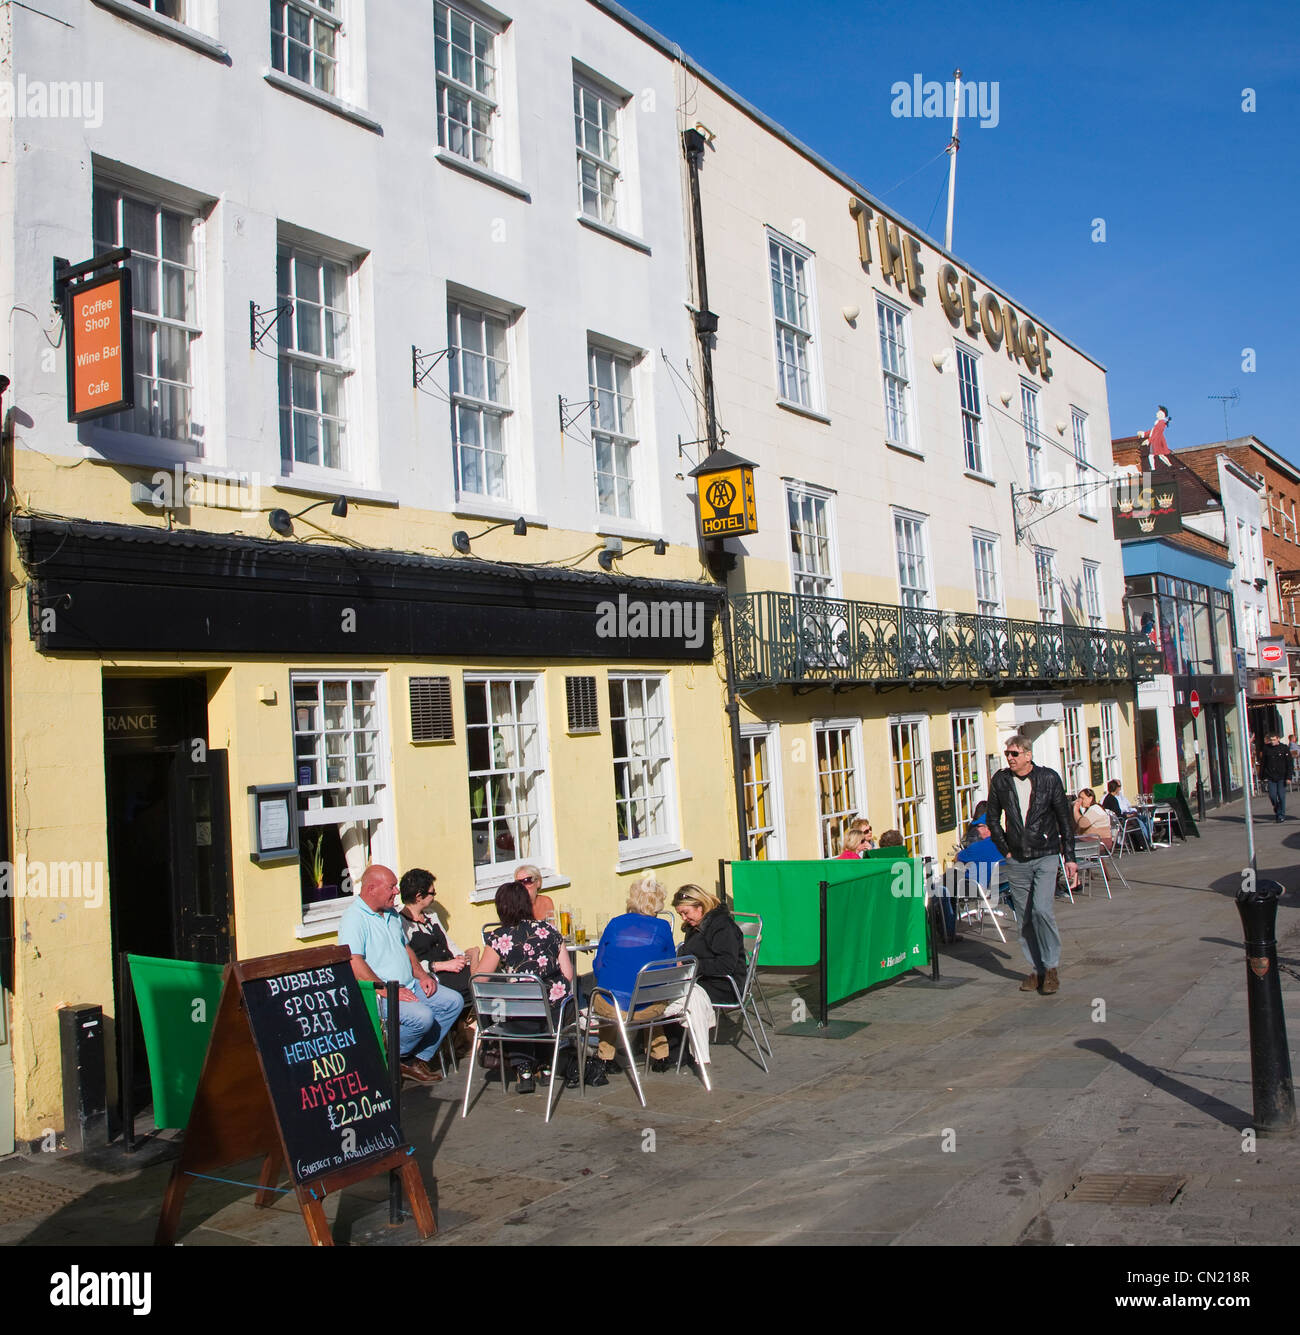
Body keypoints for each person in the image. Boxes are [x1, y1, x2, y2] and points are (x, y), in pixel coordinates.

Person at [339, 864, 464, 1085]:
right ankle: (391, 1059)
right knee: (422, 1017)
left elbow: (405, 949)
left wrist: (422, 975)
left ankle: (412, 1059)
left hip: (410, 984)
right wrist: (387, 990)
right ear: (371, 889)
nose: (397, 892)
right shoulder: (354, 919)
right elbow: (354, 961)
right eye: (392, 887)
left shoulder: (391, 915)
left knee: (453, 1002)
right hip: (381, 994)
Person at [984, 733, 1076, 996]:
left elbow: (1064, 819)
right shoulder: (1001, 781)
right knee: (1024, 918)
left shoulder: (1048, 778)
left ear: (1028, 755)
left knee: (1042, 911)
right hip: (1017, 859)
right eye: (1007, 754)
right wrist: (1006, 851)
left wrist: (1069, 857)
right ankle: (1037, 970)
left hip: (1046, 854)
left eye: (1014, 754)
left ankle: (1052, 967)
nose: (1010, 758)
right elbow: (992, 819)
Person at [475, 879, 574, 1093]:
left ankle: (524, 1068)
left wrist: (474, 957)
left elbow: (479, 980)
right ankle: (546, 1065)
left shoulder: (499, 937)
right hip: (555, 1015)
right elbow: (568, 974)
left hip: (520, 1018)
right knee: (540, 1005)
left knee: (509, 1005)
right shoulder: (550, 930)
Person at [585, 873, 677, 1086]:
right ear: (658, 903)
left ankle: (605, 1057)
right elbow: (669, 969)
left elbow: (598, 965)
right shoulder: (663, 928)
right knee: (651, 993)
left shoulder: (615, 923)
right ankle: (660, 1054)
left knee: (606, 993)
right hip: (647, 1009)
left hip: (612, 1007)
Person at [671, 884, 747, 1006]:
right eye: (680, 915)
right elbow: (689, 951)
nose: (684, 918)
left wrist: (688, 964)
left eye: (686, 912)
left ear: (700, 906)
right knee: (664, 989)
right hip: (704, 978)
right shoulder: (695, 926)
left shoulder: (722, 926)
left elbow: (725, 965)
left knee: (675, 996)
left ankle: (688, 1025)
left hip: (726, 985)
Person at [1102, 778, 1151, 849]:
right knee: (1135, 823)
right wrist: (1127, 815)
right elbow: (1118, 814)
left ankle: (1137, 846)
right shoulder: (1113, 800)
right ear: (1116, 788)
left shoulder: (1108, 798)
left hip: (1114, 821)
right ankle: (1145, 845)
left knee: (1134, 821)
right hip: (1118, 822)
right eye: (1119, 787)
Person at [1260, 733, 1294, 823]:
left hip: (1282, 776)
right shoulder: (1266, 748)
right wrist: (1262, 776)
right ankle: (1277, 807)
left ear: (1278, 739)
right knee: (1272, 795)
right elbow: (1263, 763)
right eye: (1271, 740)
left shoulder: (1284, 748)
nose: (1272, 742)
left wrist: (1289, 777)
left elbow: (1289, 764)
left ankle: (1281, 815)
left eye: (1274, 740)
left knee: (1281, 796)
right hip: (1271, 776)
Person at [1073, 787, 1113, 852]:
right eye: (1079, 798)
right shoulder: (1092, 809)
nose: (1080, 801)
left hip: (1099, 842)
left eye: (1082, 798)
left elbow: (1082, 824)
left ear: (1090, 798)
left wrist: (1075, 809)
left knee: (1066, 844)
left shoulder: (1095, 809)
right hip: (1095, 840)